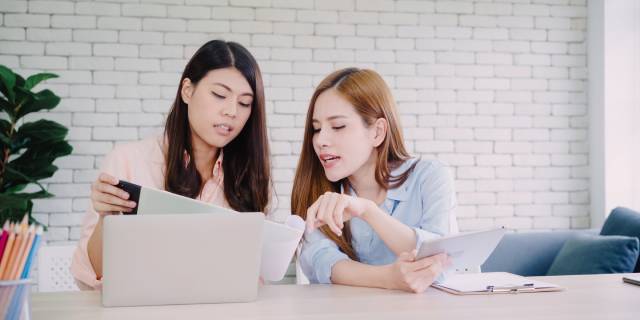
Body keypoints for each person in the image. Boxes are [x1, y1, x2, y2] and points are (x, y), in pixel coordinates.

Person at [71, 40, 273, 290]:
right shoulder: (127, 161)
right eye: (220, 95)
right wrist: (106, 220)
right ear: (187, 90)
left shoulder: (247, 176)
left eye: (245, 103)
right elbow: (90, 277)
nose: (232, 111)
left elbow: (253, 279)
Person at [292, 68, 458, 293]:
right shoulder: (319, 190)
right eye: (316, 128)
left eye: (338, 126)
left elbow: (441, 257)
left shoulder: (429, 176)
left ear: (378, 132)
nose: (320, 140)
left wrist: (368, 211)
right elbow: (320, 261)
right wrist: (388, 278)